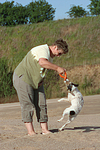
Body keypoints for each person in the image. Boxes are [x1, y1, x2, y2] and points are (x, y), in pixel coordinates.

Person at [13, 38, 68, 136]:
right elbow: (42, 62)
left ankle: (45, 130)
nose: (59, 56)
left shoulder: (50, 57)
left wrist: (41, 80)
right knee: (28, 104)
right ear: (55, 47)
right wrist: (57, 68)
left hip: (36, 81)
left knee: (42, 104)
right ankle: (31, 132)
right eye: (59, 53)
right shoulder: (43, 49)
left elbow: (41, 70)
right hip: (23, 78)